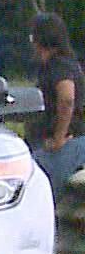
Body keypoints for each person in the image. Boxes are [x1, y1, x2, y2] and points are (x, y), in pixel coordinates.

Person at [29, 12, 85, 185]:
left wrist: (59, 137)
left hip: (65, 144)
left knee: (30, 182)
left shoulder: (58, 65)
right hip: (68, 141)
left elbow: (67, 98)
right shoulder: (66, 63)